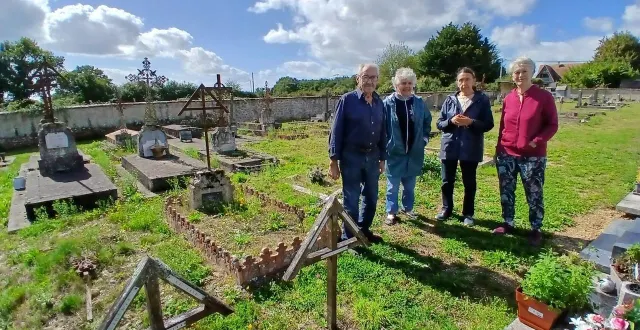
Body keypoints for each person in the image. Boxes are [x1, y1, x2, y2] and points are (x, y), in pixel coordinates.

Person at [492, 56, 559, 246]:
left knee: (534, 192)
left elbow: (552, 125)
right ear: (512, 76)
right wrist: (498, 149)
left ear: (531, 74)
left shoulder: (543, 97)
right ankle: (508, 221)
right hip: (507, 153)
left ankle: (536, 228)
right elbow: (503, 126)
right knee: (506, 190)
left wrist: (536, 141)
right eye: (517, 72)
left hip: (533, 156)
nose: (520, 75)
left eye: (524, 72)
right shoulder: (509, 98)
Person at [328, 63, 386, 242]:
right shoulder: (347, 100)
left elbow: (383, 131)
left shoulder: (379, 102)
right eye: (365, 76)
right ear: (358, 78)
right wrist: (333, 161)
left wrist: (382, 158)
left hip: (373, 155)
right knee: (351, 199)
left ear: (377, 80)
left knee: (371, 197)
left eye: (373, 77)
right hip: (351, 156)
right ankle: (349, 237)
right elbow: (336, 131)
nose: (369, 81)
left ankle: (363, 230)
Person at [435, 67, 494, 226]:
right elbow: (439, 124)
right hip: (450, 146)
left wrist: (471, 122)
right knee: (447, 181)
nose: (464, 83)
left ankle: (468, 213)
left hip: (471, 146)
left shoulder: (481, 100)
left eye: (467, 79)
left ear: (473, 81)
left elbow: (489, 124)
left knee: (469, 182)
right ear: (457, 82)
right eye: (461, 80)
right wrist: (450, 121)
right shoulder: (449, 100)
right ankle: (446, 209)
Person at [382, 68, 431, 225]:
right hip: (394, 152)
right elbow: (381, 126)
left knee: (410, 185)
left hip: (414, 151)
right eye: (403, 83)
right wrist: (386, 144)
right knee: (393, 186)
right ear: (396, 84)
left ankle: (408, 208)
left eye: (410, 83)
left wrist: (424, 139)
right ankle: (391, 211)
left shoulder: (418, 102)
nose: (407, 86)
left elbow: (426, 121)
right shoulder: (388, 104)